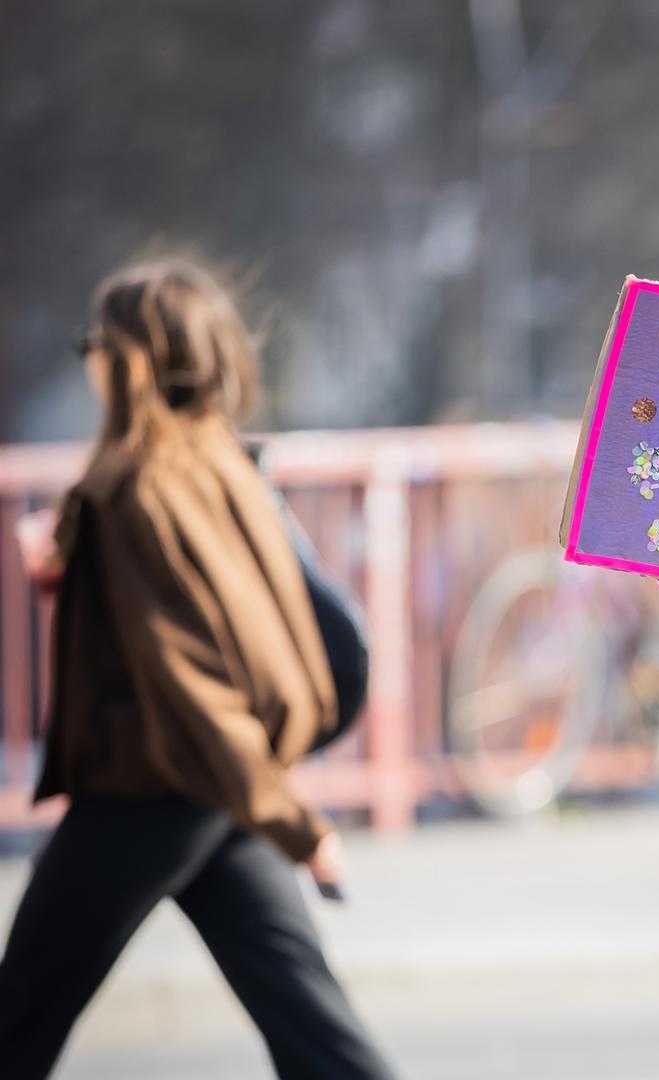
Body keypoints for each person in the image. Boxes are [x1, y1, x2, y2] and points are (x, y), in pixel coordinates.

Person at [0, 260, 396, 1080]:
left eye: (95, 343)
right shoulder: (222, 466)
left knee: (19, 1016)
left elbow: (199, 685)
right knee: (310, 1024)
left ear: (132, 358)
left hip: (151, 790)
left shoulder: (137, 489)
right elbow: (222, 641)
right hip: (214, 789)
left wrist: (300, 828)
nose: (88, 361)